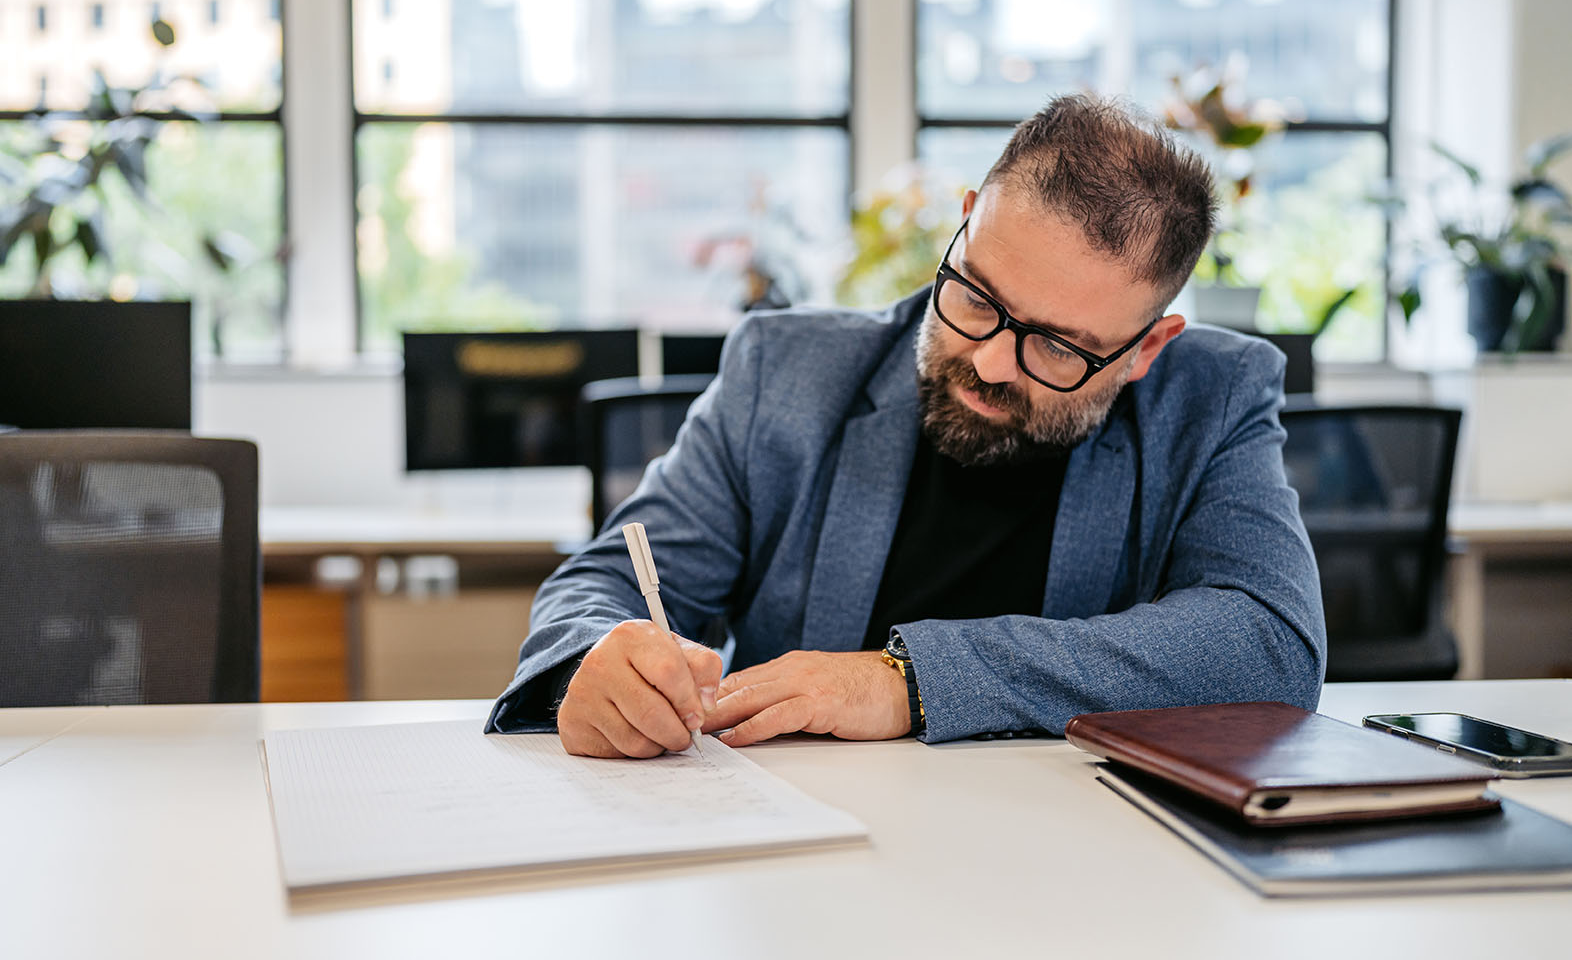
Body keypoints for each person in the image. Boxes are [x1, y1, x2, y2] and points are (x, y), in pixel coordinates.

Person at [486, 93, 1326, 758]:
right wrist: (595, 661)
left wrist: (910, 682)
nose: (993, 361)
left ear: (1146, 348)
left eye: (1060, 347)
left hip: (1077, 869)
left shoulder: (1212, 396)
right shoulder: (787, 371)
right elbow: (599, 585)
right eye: (977, 296)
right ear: (965, 220)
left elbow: (1271, 641)